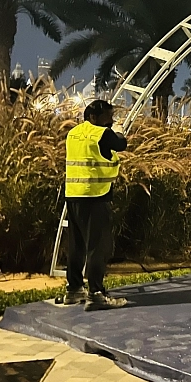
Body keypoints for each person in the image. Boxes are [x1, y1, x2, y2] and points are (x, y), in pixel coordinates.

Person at [62, 100, 128, 311]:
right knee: (98, 247)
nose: (111, 121)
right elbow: (121, 144)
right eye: (108, 117)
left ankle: (74, 289)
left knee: (76, 246)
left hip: (73, 194)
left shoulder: (73, 133)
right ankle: (96, 293)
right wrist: (119, 130)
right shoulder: (101, 133)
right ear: (93, 117)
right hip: (94, 195)